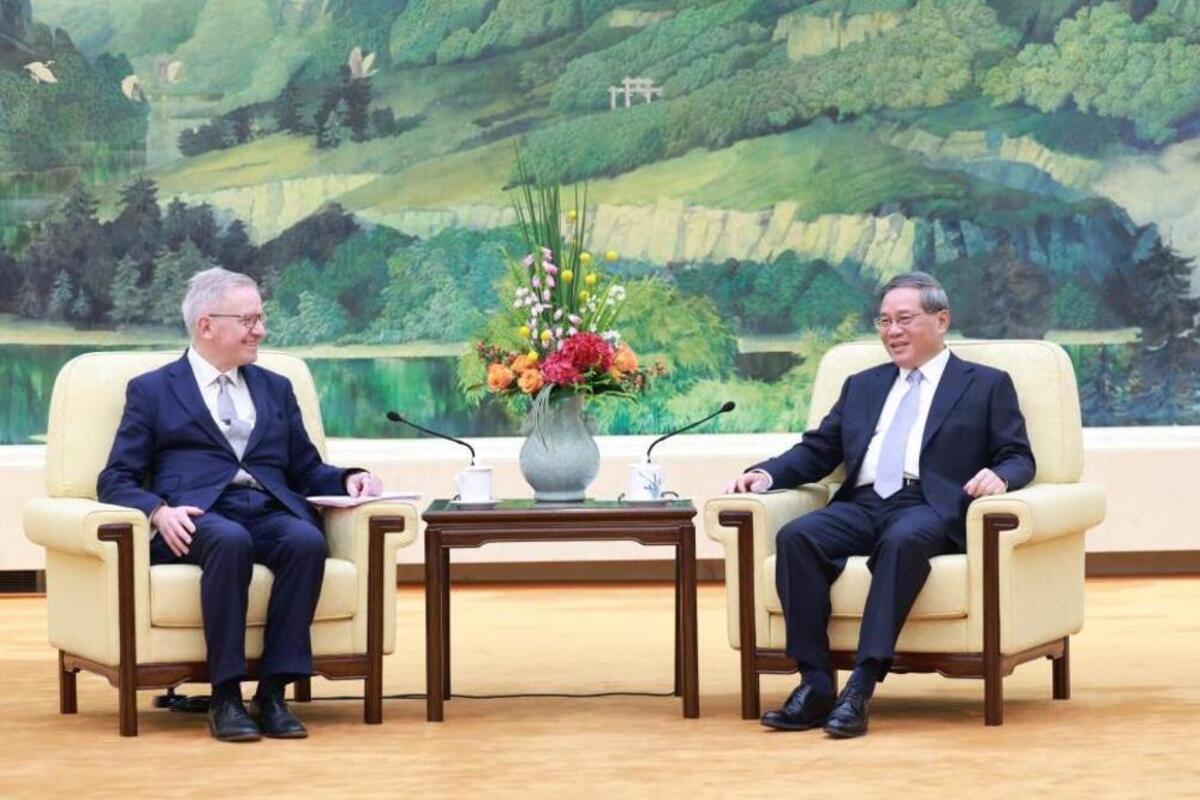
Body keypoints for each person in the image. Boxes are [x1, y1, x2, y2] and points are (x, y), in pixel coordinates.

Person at [724, 271, 1034, 738]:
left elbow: (1018, 455)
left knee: (902, 541)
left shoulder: (985, 384)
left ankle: (860, 686)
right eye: (884, 321)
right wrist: (765, 474)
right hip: (862, 502)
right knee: (797, 537)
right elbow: (819, 450)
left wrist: (1001, 475)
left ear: (941, 320)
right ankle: (814, 684)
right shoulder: (862, 385)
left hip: (928, 505)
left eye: (905, 319)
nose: (892, 331)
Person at [98, 267, 383, 742]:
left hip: (266, 508)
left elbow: (306, 468)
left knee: (305, 541)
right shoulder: (153, 390)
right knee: (229, 541)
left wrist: (349, 478)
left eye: (260, 318)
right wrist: (158, 512)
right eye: (248, 320)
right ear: (206, 325)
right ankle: (225, 696)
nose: (261, 330)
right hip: (197, 517)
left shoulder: (275, 387)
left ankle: (272, 694)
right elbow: (115, 478)